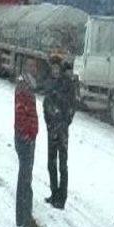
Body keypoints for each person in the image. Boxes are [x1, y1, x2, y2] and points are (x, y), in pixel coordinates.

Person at [43, 54, 76, 209]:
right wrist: (48, 122)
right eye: (53, 68)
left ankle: (61, 198)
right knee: (51, 163)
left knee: (62, 164)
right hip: (51, 128)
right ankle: (54, 192)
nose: (55, 70)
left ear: (60, 69)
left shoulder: (66, 84)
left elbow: (71, 106)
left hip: (62, 129)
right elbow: (46, 104)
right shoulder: (49, 82)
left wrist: (65, 122)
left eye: (57, 68)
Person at [14, 58, 42, 227]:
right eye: (31, 66)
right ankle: (26, 219)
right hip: (25, 138)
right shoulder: (24, 87)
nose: (34, 68)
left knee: (24, 178)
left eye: (35, 66)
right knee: (26, 180)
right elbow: (22, 114)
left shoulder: (26, 85)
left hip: (26, 136)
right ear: (26, 67)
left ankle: (21, 217)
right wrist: (27, 134)